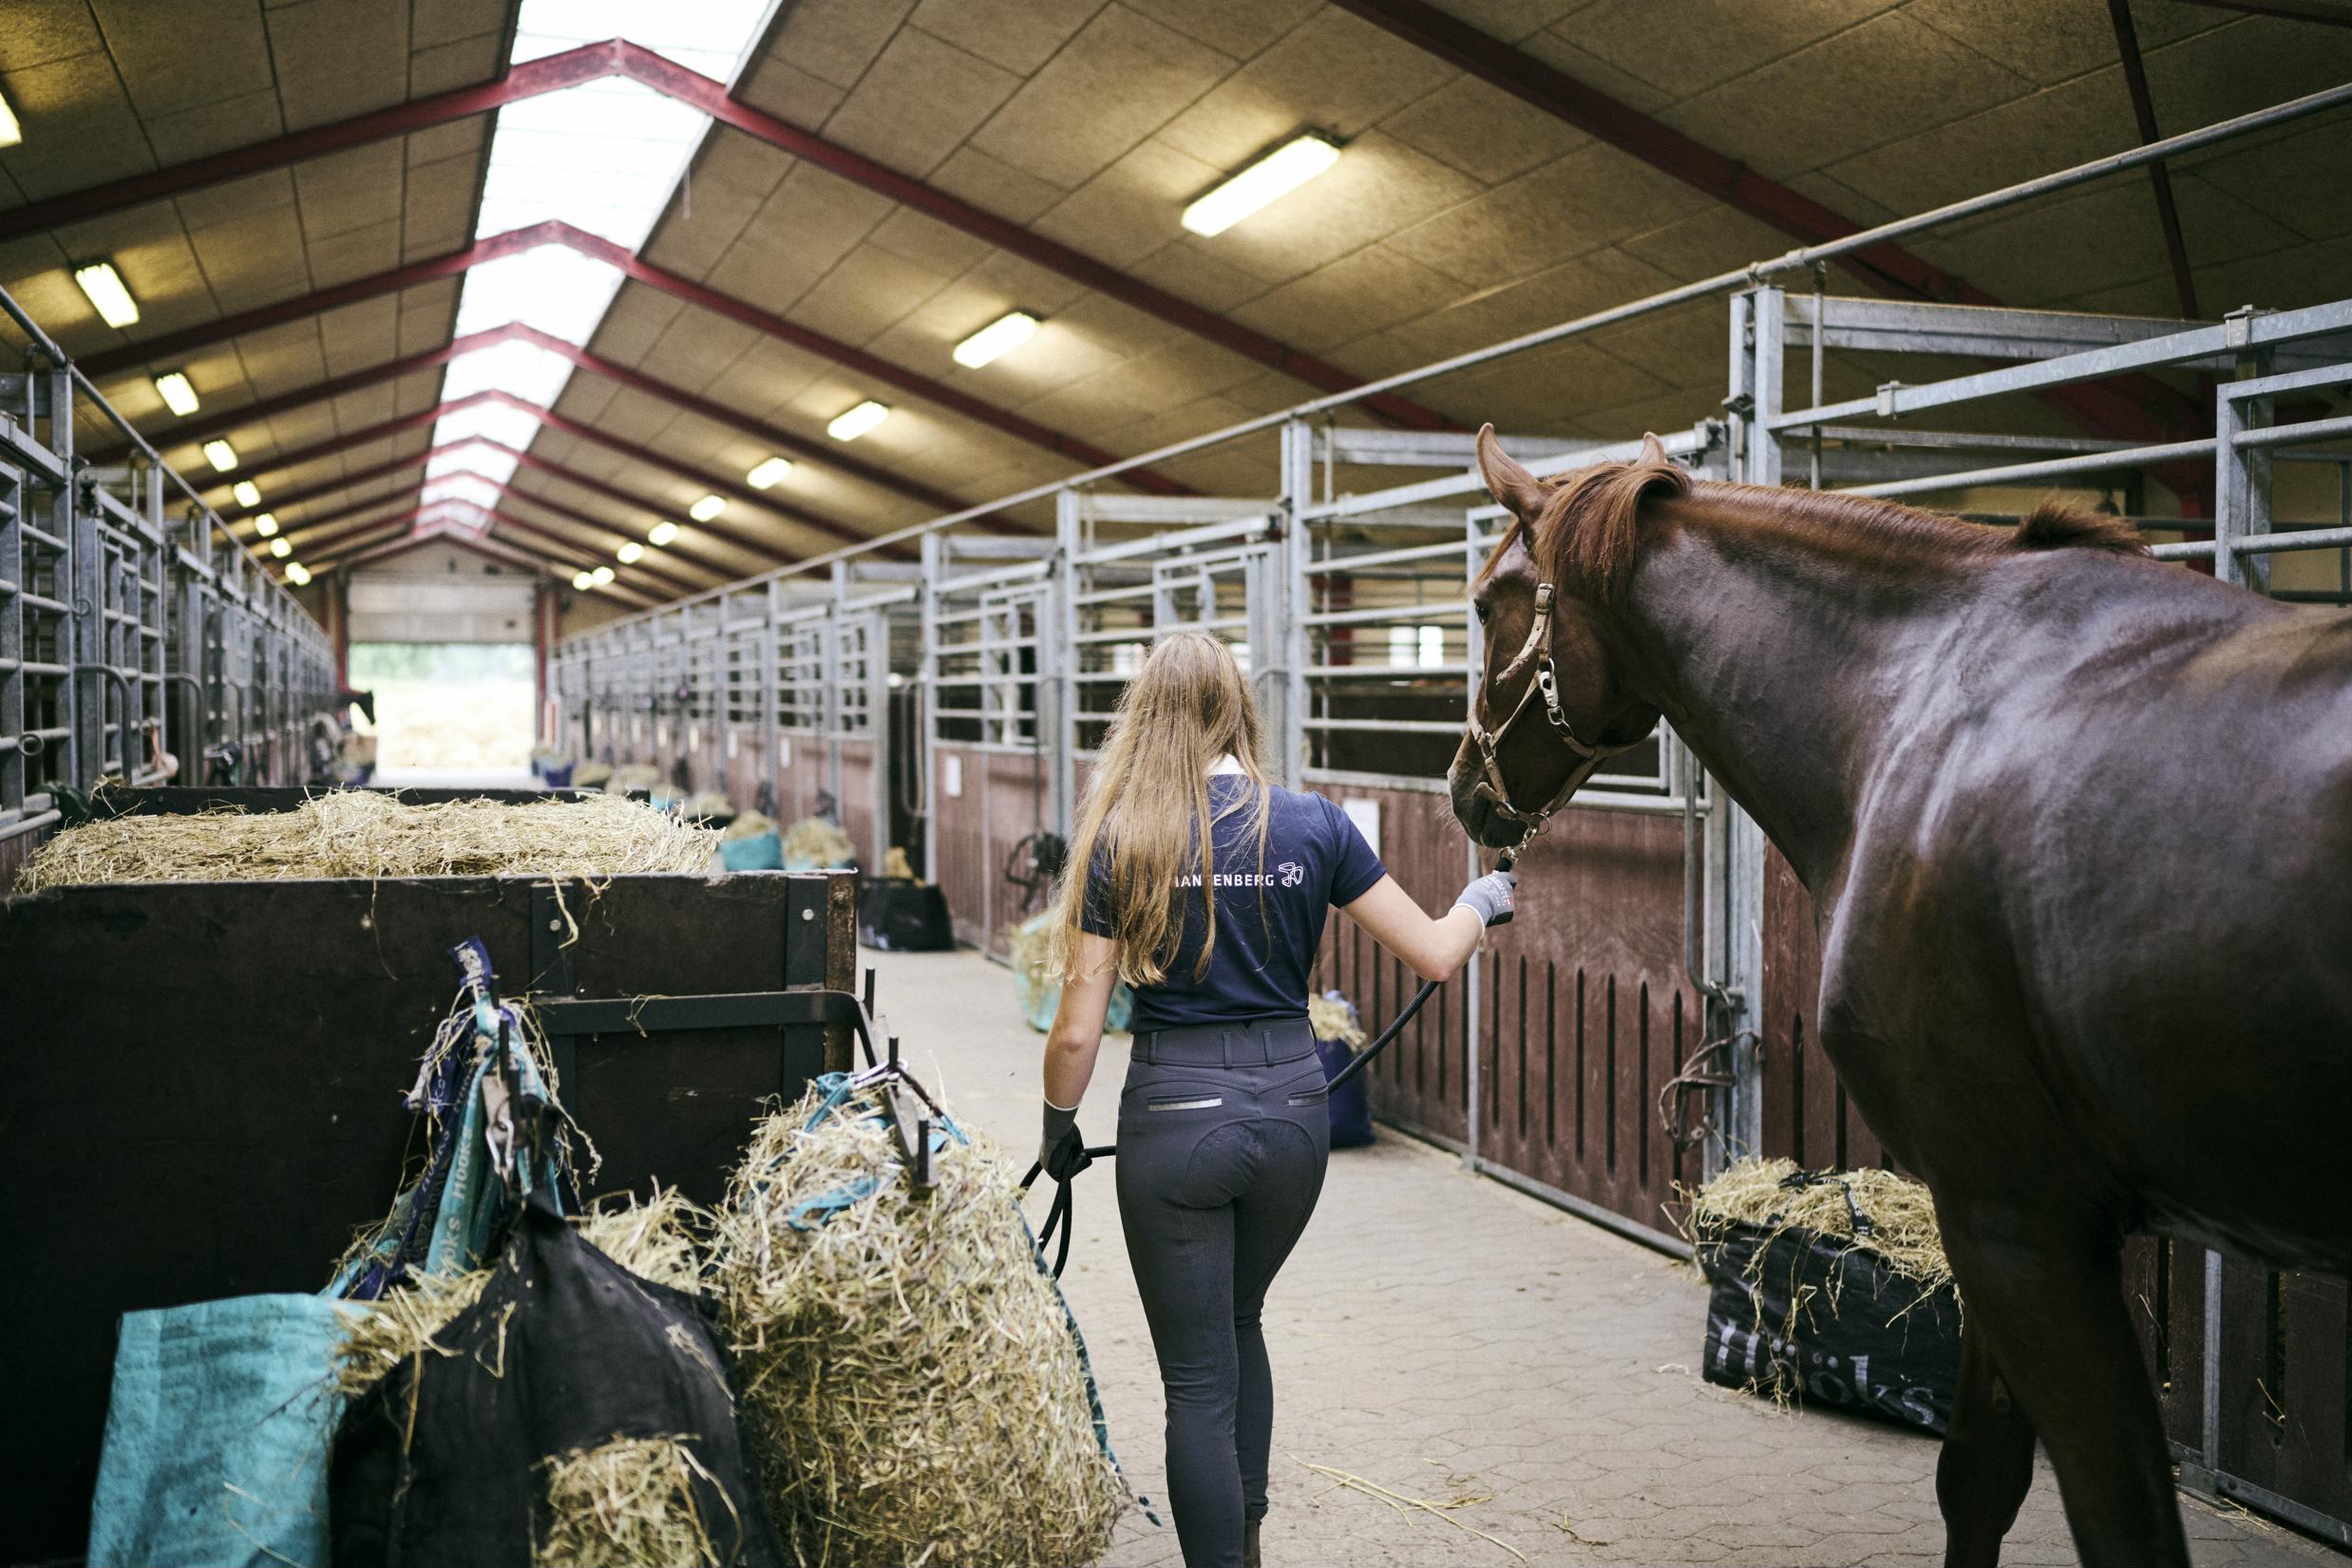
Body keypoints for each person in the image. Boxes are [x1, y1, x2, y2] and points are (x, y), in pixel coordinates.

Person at [1037, 632, 1517, 1568]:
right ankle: (1247, 1540)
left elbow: (1077, 1034)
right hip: (1295, 1113)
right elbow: (1432, 952)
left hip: (1174, 1119)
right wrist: (1484, 898)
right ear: (1237, 709)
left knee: (1194, 1381)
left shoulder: (1122, 837)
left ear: (1145, 717)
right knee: (1240, 1317)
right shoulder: (1312, 824)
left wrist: (1058, 1127)